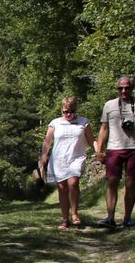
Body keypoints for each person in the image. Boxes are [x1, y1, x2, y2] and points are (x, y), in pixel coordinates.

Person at [94, 76, 135, 229]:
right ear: (117, 89)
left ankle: (127, 219)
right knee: (112, 182)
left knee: (131, 183)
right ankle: (110, 218)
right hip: (114, 148)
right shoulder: (109, 105)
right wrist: (99, 149)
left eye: (127, 87)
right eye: (121, 88)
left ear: (132, 88)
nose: (124, 90)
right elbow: (104, 128)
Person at [38, 96, 94, 230]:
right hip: (59, 159)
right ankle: (64, 219)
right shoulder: (55, 123)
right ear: (62, 110)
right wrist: (44, 157)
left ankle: (74, 214)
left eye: (71, 111)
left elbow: (91, 140)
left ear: (76, 110)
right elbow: (47, 141)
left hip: (76, 157)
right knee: (62, 188)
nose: (68, 114)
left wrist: (98, 150)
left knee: (73, 182)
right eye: (65, 111)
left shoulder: (83, 122)